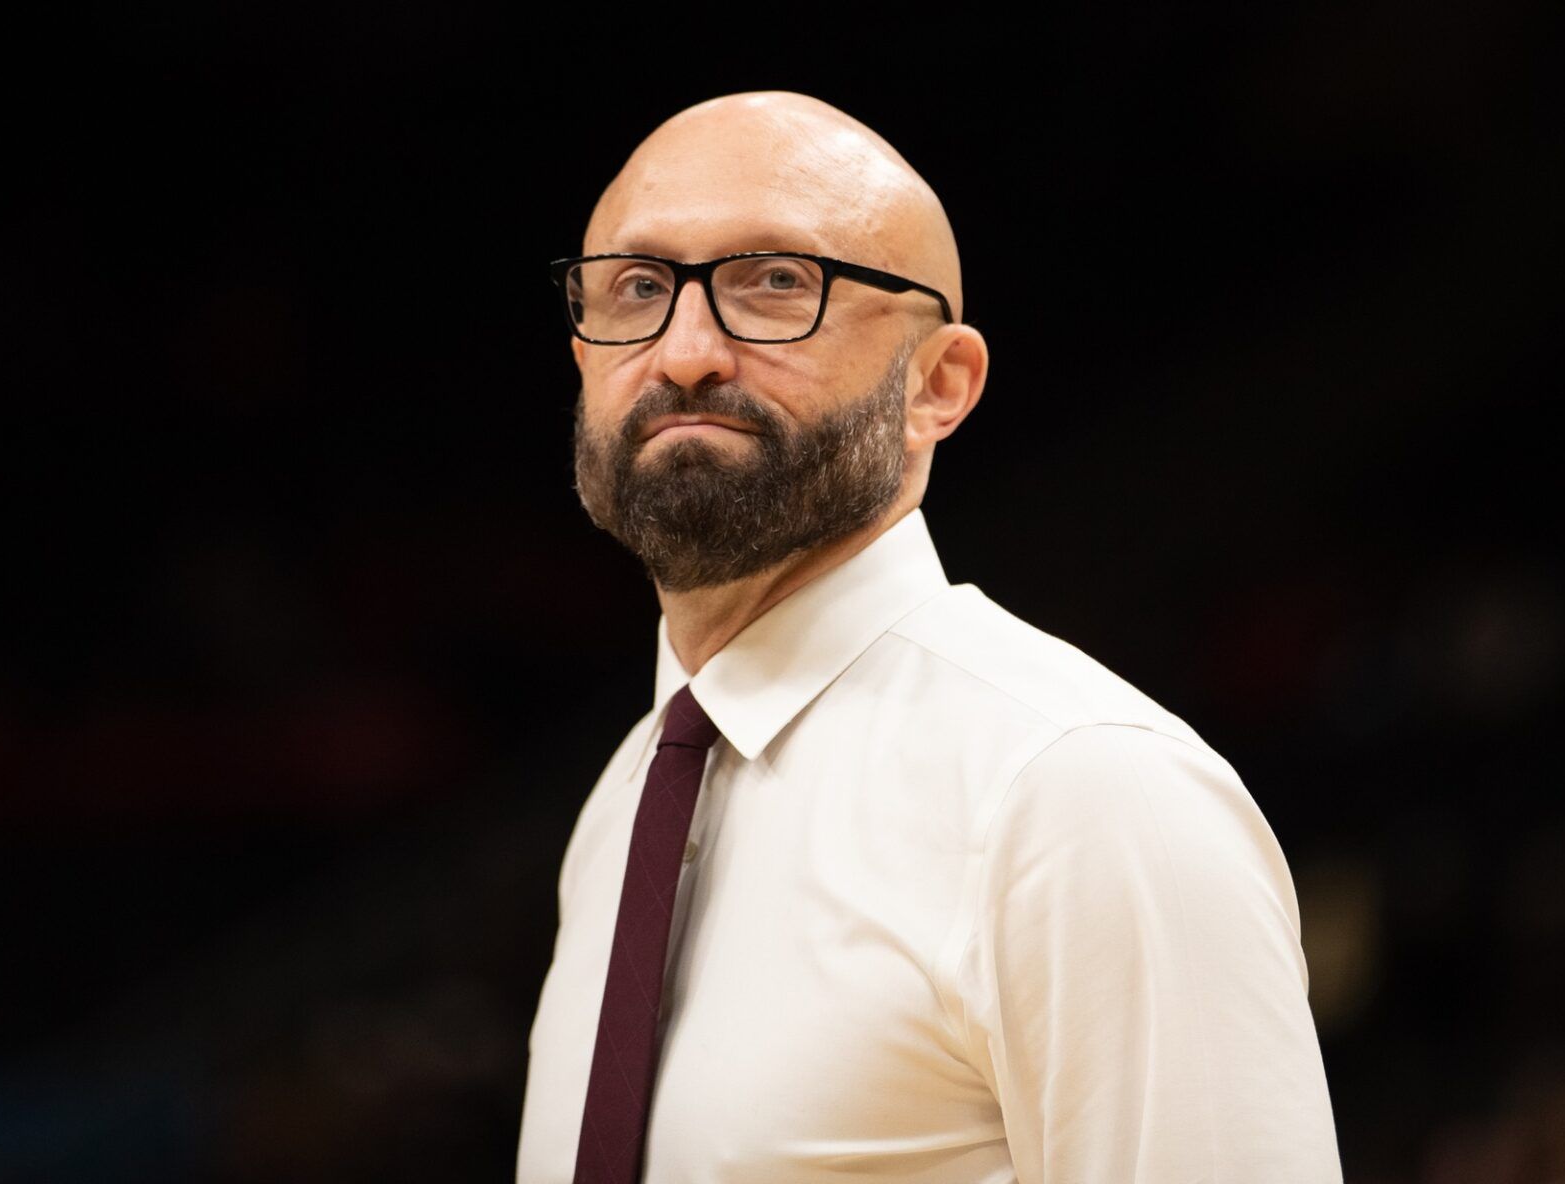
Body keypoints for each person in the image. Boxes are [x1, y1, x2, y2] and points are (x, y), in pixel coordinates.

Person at [516, 92, 1341, 1183]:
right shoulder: (626, 803)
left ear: (938, 385)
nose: (687, 350)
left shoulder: (1080, 791)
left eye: (775, 284)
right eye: (638, 286)